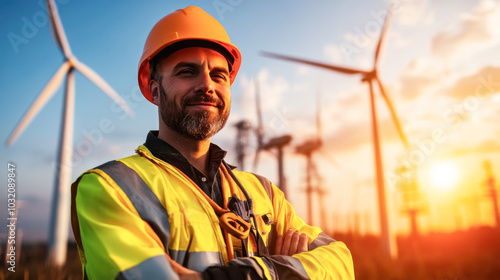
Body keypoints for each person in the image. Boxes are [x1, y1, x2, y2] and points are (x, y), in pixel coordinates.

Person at [71, 6, 354, 280]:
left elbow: (341, 262)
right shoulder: (111, 188)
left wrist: (261, 272)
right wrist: (290, 268)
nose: (206, 85)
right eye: (187, 72)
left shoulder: (264, 194)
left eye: (219, 75)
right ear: (155, 90)